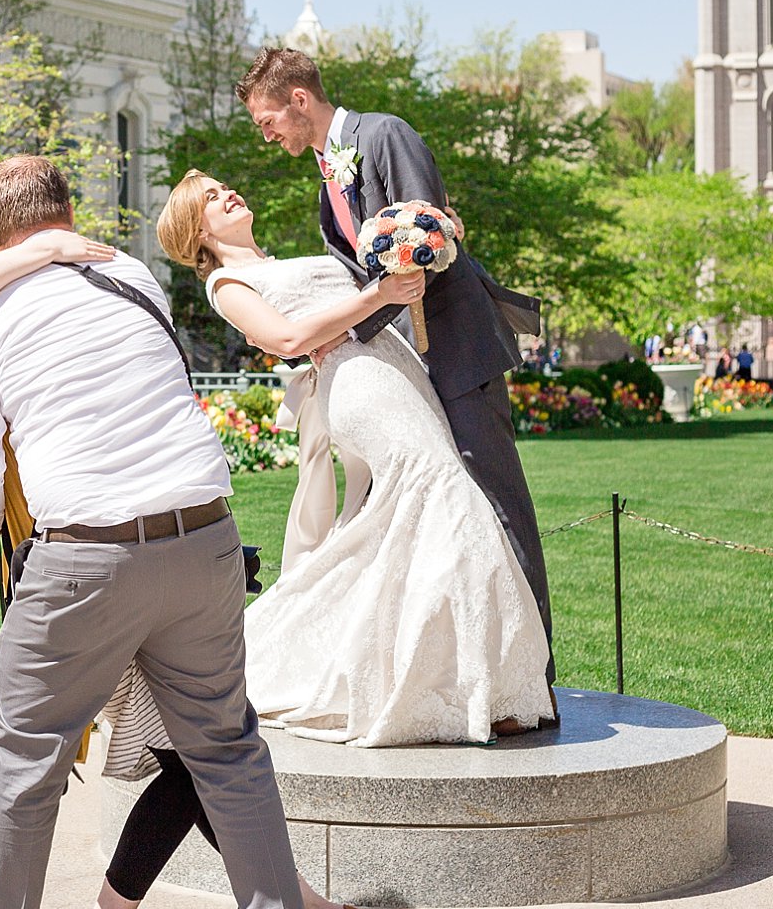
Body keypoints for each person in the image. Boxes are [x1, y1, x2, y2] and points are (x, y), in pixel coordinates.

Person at [0, 243, 410, 909]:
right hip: (79, 576)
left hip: (83, 575)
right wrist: (46, 247)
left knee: (189, 752)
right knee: (204, 749)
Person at [0, 156, 314, 909]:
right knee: (228, 748)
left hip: (84, 553)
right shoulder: (129, 275)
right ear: (68, 213)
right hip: (205, 537)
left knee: (26, 752)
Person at [157, 171, 553, 745]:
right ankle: (466, 686)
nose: (229, 194)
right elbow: (289, 340)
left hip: (398, 368)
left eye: (226, 188)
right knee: (446, 494)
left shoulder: (275, 260)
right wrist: (377, 296)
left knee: (414, 516)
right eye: (213, 199)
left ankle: (470, 683)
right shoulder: (228, 283)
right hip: (359, 384)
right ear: (198, 231)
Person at [237, 47, 557, 699]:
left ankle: (537, 680)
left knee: (498, 506)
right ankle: (475, 678)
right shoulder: (328, 177)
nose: (265, 134)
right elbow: (363, 277)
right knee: (447, 519)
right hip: (405, 369)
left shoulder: (383, 134)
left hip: (458, 355)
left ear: (299, 100)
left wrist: (365, 310)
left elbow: (430, 231)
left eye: (267, 119)